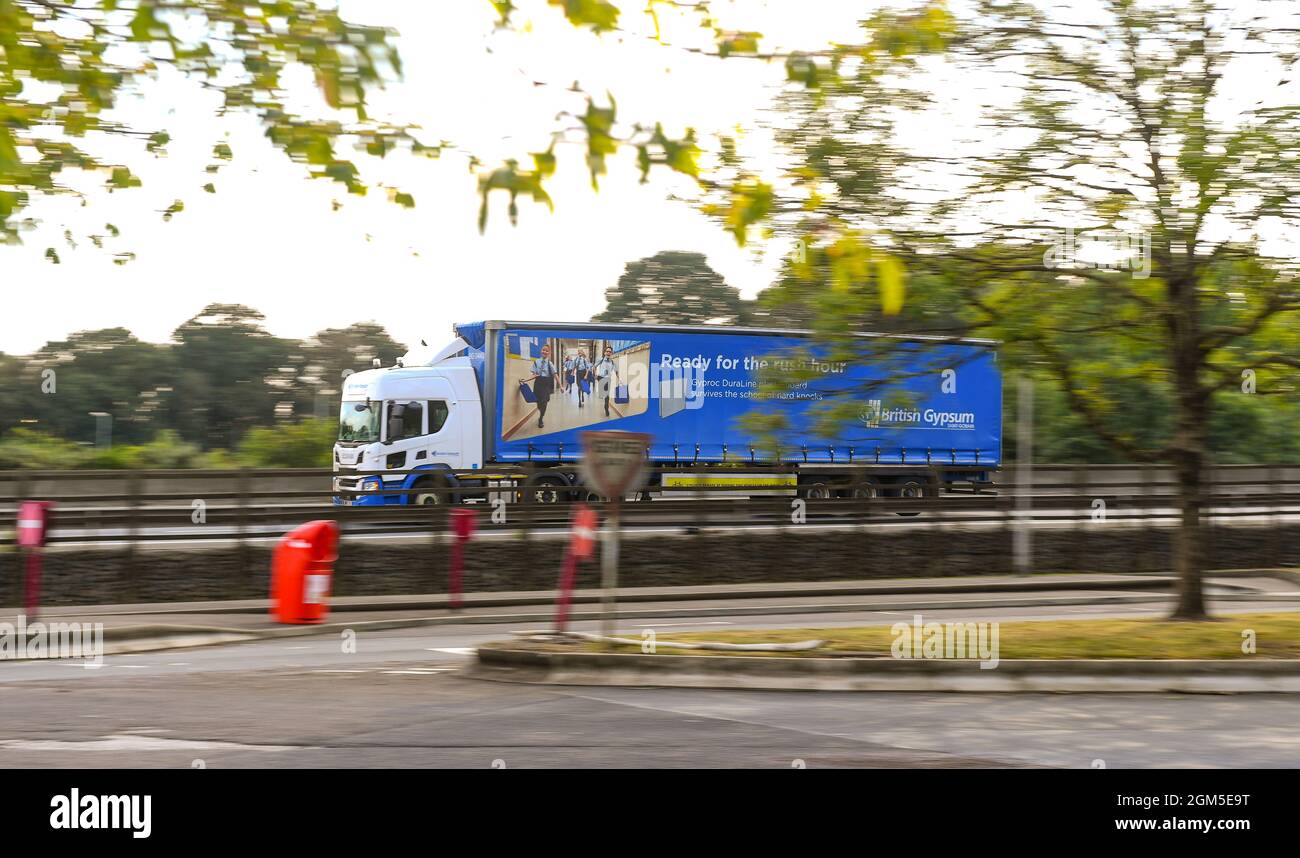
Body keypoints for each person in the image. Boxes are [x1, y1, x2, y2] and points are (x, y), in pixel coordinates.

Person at [525, 344, 558, 429]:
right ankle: (540, 410)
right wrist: (525, 380)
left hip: (546, 383)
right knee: (539, 403)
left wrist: (561, 386)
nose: (545, 352)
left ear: (549, 353)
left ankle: (541, 418)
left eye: (547, 351)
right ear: (541, 351)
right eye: (543, 350)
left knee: (544, 402)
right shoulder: (536, 362)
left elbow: (555, 374)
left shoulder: (550, 363)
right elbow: (534, 375)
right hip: (538, 383)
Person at [593, 345, 622, 417]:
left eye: (610, 352)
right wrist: (595, 374)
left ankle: (606, 407)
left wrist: (619, 379)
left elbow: (616, 371)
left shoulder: (612, 362)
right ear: (604, 353)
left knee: (607, 395)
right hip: (600, 377)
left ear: (611, 353)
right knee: (603, 394)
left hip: (608, 379)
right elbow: (594, 367)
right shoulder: (601, 360)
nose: (608, 353)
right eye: (607, 351)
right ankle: (603, 396)